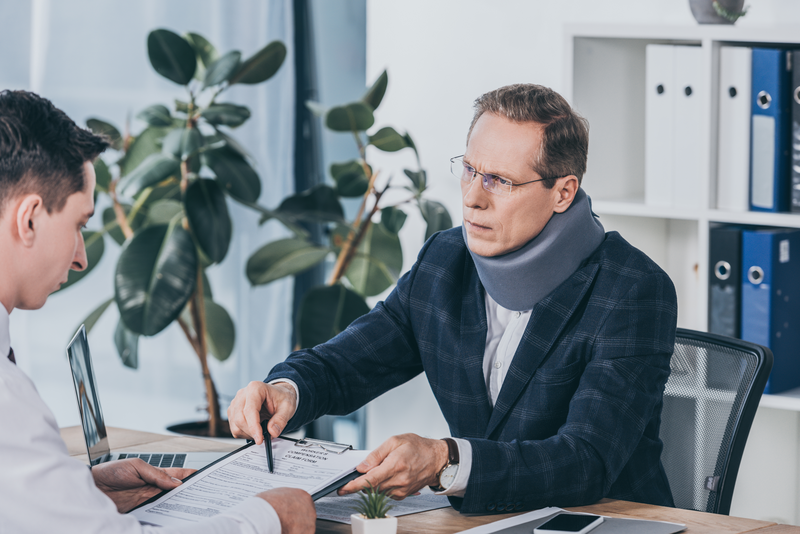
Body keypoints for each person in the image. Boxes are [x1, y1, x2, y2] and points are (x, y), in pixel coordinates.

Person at [228, 84, 678, 514]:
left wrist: (446, 460)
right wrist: (286, 390)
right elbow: (348, 364)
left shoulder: (632, 290)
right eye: (470, 170)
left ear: (563, 192)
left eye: (500, 180)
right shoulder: (445, 259)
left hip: (606, 523)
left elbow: (585, 461)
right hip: (483, 521)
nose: (472, 198)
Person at [0, 90, 316, 534]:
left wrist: (80, 491)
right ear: (29, 218)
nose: (80, 258)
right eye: (79, 225)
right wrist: (268, 517)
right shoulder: (7, 400)